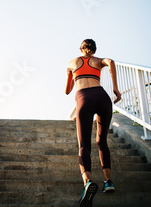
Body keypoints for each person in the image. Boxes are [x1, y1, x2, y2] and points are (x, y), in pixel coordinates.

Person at [65, 39, 121, 207]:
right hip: (102, 98)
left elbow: (67, 91)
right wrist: (116, 89)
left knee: (84, 145)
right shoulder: (97, 61)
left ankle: (88, 182)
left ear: (80, 49)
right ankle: (108, 181)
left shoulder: (71, 63)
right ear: (94, 50)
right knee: (101, 141)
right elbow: (110, 61)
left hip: (83, 98)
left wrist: (72, 75)